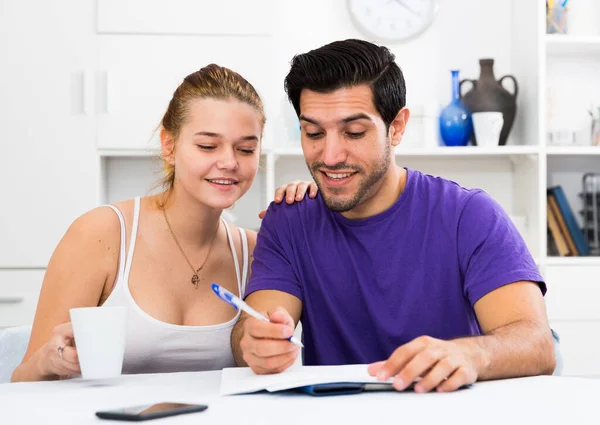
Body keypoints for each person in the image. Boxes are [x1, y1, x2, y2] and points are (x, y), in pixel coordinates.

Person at [232, 39, 556, 392]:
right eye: (313, 133)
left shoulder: (469, 215)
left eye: (354, 132)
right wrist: (257, 344)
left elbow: (537, 345)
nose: (330, 155)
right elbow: (253, 333)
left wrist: (472, 354)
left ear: (397, 127)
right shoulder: (288, 221)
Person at [11, 64, 317, 382]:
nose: (229, 162)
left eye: (246, 149)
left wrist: (312, 210)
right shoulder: (102, 235)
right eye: (207, 146)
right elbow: (23, 382)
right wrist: (49, 361)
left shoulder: (254, 252)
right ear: (169, 145)